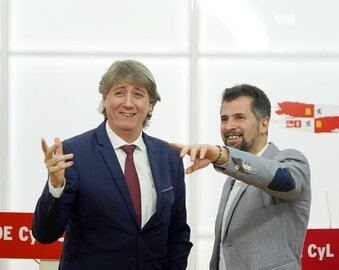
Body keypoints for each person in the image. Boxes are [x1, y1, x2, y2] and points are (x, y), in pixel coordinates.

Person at [32, 59, 192, 270]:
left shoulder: (170, 157)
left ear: (151, 104)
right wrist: (55, 186)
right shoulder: (73, 154)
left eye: (138, 94)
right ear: (105, 99)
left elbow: (178, 233)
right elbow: (45, 234)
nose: (128, 103)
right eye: (119, 92)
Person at [172, 84, 311, 270]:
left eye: (239, 118)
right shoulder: (231, 177)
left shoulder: (289, 161)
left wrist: (222, 156)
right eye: (224, 119)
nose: (229, 126)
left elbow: (284, 180)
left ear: (264, 124)